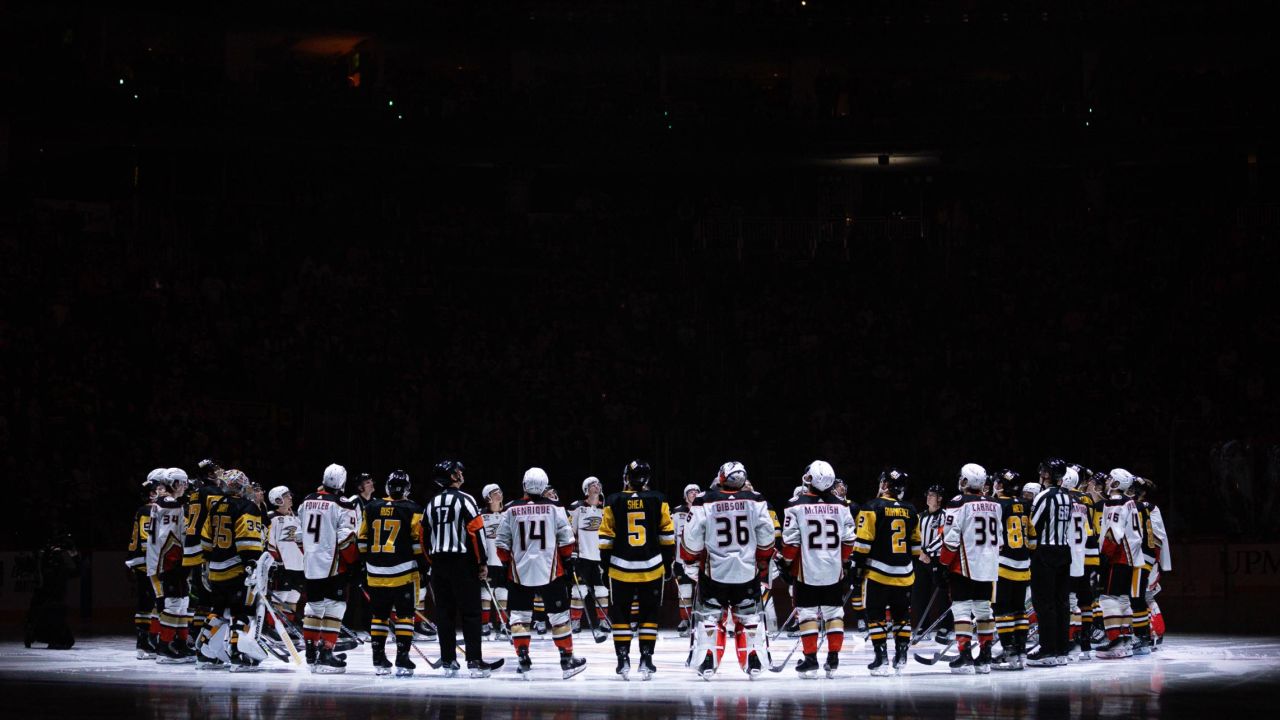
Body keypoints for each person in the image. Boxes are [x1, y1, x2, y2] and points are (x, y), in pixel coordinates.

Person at [681, 461, 776, 679]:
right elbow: (767, 537)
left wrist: (690, 559)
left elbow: (692, 539)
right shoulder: (756, 499)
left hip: (714, 572)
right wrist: (762, 561)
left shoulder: (704, 500)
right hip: (746, 572)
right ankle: (754, 656)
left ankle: (707, 658)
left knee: (710, 618)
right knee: (749, 618)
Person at [497, 467, 588, 679]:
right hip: (551, 570)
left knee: (520, 616)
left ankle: (523, 657)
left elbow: (501, 544)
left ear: (524, 484)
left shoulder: (510, 509)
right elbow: (566, 540)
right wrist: (567, 562)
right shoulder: (555, 507)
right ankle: (567, 659)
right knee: (558, 616)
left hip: (518, 571)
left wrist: (507, 564)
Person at [597, 460, 676, 680]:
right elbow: (668, 536)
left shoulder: (613, 500)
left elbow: (605, 540)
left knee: (620, 612)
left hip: (620, 569)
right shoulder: (659, 499)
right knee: (649, 613)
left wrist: (605, 566)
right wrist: (668, 563)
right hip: (651, 568)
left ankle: (622, 660)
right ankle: (646, 659)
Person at [423, 460, 500, 677]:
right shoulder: (465, 499)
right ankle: (474, 661)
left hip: (439, 564)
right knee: (471, 613)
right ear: (451, 476)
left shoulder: (432, 502)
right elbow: (476, 532)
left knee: (444, 613)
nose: (461, 473)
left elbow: (423, 536)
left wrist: (431, 561)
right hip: (462, 563)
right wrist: (482, 562)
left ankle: (448, 660)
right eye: (457, 471)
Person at [779, 461, 856, 678]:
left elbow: (791, 543)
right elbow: (849, 539)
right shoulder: (842, 505)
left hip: (807, 570)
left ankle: (811, 659)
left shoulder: (795, 504)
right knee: (834, 613)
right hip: (833, 569)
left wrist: (785, 563)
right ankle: (833, 658)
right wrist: (841, 560)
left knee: (808, 613)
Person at [853, 467, 922, 676]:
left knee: (876, 615)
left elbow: (863, 543)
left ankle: (880, 658)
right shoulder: (911, 510)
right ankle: (901, 656)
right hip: (905, 575)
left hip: (878, 573)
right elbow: (916, 548)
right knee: (902, 616)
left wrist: (856, 568)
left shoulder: (872, 507)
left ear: (885, 485)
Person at [358, 470, 428, 676]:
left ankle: (378, 658)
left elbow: (362, 539)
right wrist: (424, 565)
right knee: (404, 615)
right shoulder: (414, 509)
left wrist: (365, 563)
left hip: (375, 572)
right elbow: (417, 543)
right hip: (403, 572)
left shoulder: (371, 507)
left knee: (379, 615)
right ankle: (402, 657)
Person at [197, 469, 266, 671]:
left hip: (216, 569)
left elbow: (206, 540)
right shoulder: (248, 506)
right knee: (241, 611)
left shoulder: (216, 506)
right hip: (237, 569)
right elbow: (249, 541)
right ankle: (238, 653)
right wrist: (253, 564)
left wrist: (209, 562)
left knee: (218, 610)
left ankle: (203, 651)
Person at [940, 463, 1002, 674]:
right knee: (985, 610)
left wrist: (943, 564)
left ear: (965, 480)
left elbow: (950, 538)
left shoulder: (958, 503)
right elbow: (1000, 540)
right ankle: (985, 657)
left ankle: (965, 655)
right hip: (989, 565)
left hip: (964, 566)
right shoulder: (995, 503)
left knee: (962, 610)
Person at [298, 463, 359, 673]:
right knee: (335, 606)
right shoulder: (343, 503)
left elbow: (298, 535)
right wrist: (353, 562)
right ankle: (326, 651)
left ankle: (310, 651)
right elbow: (346, 539)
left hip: (310, 563)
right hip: (334, 565)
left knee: (313, 606)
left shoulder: (306, 500)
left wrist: (308, 554)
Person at [1027, 457, 1074, 667]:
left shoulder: (1044, 496)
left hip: (1045, 552)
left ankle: (1048, 650)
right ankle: (1062, 648)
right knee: (1061, 602)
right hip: (1064, 551)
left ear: (1047, 474)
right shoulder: (1068, 496)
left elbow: (1032, 525)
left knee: (1044, 603)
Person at [148, 468, 195, 663]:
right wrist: (178, 562)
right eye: (183, 483)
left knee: (182, 602)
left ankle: (180, 644)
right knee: (174, 603)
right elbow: (168, 538)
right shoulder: (169, 504)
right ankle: (164, 646)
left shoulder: (165, 503)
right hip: (170, 562)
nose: (185, 486)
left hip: (169, 561)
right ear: (174, 483)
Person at [1097, 468, 1144, 659]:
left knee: (1108, 598)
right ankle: (1125, 637)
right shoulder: (1130, 502)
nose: (1107, 481)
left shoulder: (1115, 502)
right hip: (1131, 556)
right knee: (1123, 599)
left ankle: (1115, 640)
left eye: (1110, 479)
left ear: (1116, 483)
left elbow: (1112, 533)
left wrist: (1104, 555)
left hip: (1119, 557)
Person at [990, 469, 1032, 670]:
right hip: (1023, 564)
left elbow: (995, 538)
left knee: (1002, 609)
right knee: (1019, 609)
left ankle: (1008, 650)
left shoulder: (997, 505)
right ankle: (1021, 650)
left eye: (997, 482)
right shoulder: (1025, 504)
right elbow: (1032, 538)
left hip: (1003, 564)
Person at [183, 459, 223, 648]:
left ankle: (195, 635)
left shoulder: (196, 493)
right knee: (209, 596)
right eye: (216, 470)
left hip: (192, 549)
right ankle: (200, 638)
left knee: (201, 598)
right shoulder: (213, 492)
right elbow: (217, 519)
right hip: (204, 549)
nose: (220, 472)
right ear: (209, 474)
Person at [1062, 465, 1097, 660]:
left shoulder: (1064, 498)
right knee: (1086, 600)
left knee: (1071, 598)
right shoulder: (1087, 499)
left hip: (1071, 553)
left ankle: (1071, 638)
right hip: (1088, 551)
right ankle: (1085, 641)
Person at [24, 531, 81, 650]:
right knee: (52, 614)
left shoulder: (50, 555)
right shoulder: (49, 556)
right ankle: (40, 635)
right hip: (50, 593)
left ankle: (36, 635)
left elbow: (74, 571)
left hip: (51, 592)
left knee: (51, 613)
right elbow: (75, 571)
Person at [127, 469, 162, 659]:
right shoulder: (149, 510)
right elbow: (146, 538)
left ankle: (144, 642)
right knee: (151, 602)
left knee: (146, 602)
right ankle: (146, 642)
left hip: (143, 560)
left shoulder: (143, 510)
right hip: (149, 561)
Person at [568, 476, 609, 634]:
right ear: (586, 489)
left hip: (600, 557)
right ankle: (575, 621)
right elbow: (571, 531)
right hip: (582, 556)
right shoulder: (577, 507)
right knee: (579, 590)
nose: (596, 486)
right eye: (593, 485)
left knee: (602, 590)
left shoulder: (605, 509)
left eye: (598, 484)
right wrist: (572, 552)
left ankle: (603, 621)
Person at [1136, 478, 1172, 649]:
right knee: (1142, 596)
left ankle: (1154, 632)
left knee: (1144, 596)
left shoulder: (1148, 509)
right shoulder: (1146, 508)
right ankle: (1153, 632)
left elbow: (1158, 537)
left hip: (1147, 558)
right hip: (1145, 557)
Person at [913, 484, 951, 644]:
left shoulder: (945, 516)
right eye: (928, 494)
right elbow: (914, 537)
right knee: (920, 594)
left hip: (937, 559)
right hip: (921, 559)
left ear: (940, 498)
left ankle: (945, 627)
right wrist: (920, 553)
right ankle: (923, 626)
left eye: (932, 495)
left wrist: (927, 552)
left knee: (942, 594)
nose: (929, 497)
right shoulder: (920, 516)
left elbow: (944, 536)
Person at [266, 486, 305, 626]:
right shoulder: (271, 517)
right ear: (278, 499)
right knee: (279, 597)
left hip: (298, 565)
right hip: (282, 566)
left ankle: (287, 628)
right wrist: (276, 560)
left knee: (294, 597)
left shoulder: (297, 517)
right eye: (287, 495)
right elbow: (269, 543)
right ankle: (273, 628)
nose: (290, 497)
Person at [478, 483, 509, 638]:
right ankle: (484, 624)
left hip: (503, 561)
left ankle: (502, 625)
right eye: (495, 492)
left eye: (500, 491)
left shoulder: (507, 514)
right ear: (488, 497)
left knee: (503, 593)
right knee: (485, 594)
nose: (499, 494)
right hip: (488, 561)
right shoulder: (480, 516)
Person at [670, 483, 701, 635]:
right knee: (684, 591)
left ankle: (699, 621)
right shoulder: (676, 512)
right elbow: (670, 536)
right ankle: (685, 620)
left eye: (696, 491)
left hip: (700, 560)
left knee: (701, 591)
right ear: (685, 495)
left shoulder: (703, 510)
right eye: (690, 492)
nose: (694, 493)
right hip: (681, 559)